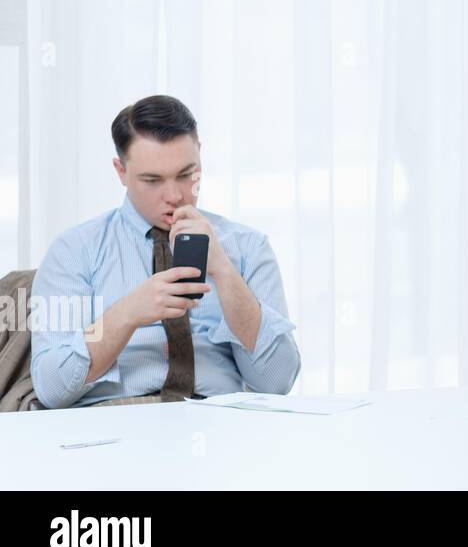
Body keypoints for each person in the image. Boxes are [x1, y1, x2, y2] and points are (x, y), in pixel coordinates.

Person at [30, 95, 301, 408]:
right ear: (121, 171)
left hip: (218, 418)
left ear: (200, 154)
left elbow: (277, 383)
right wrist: (127, 313)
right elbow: (52, 390)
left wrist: (225, 273)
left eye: (187, 174)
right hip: (113, 422)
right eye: (152, 180)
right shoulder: (73, 251)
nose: (175, 195)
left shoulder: (248, 247)